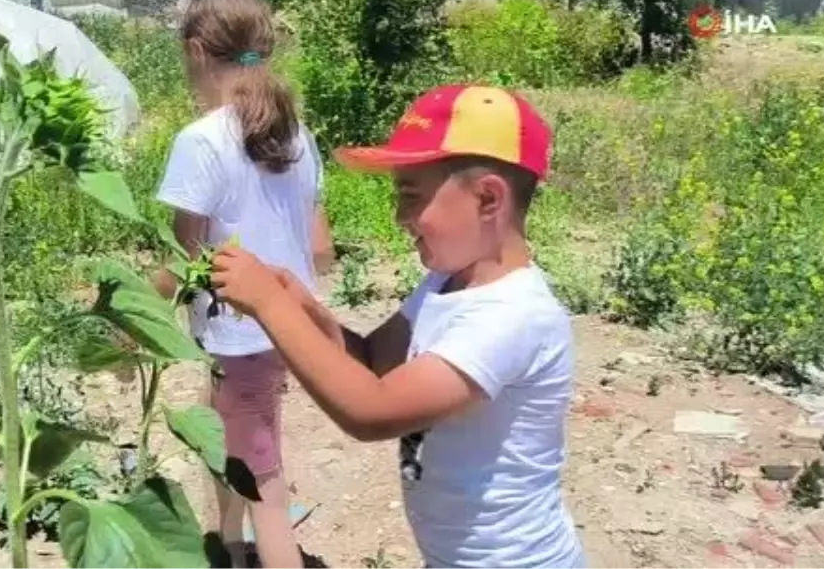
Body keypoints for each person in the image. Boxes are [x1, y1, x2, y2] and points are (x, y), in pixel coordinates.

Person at [209, 84, 586, 568]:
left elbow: (372, 411)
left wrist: (267, 305)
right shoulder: (447, 284)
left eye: (412, 197)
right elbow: (371, 361)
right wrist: (298, 306)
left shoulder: (513, 316)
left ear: (488, 199)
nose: (399, 217)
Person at [151, 0, 334, 569]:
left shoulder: (201, 140)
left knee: (267, 485)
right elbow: (322, 249)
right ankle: (229, 547)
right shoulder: (297, 135)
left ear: (197, 52)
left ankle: (254, 550)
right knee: (228, 438)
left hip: (237, 335)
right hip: (288, 329)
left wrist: (126, 320)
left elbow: (187, 255)